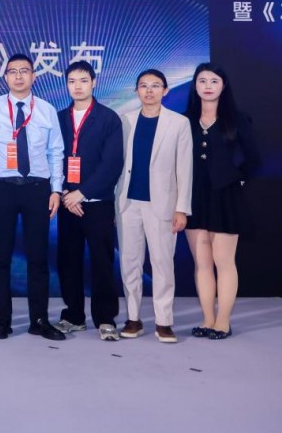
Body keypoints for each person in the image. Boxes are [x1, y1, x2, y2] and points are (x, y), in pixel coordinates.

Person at [0, 53, 65, 342]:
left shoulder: (47, 110)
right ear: (5, 77)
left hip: (37, 188)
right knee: (0, 258)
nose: (18, 76)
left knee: (38, 258)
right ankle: (2, 321)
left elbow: (56, 152)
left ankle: (39, 320)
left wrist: (56, 189)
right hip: (1, 187)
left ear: (33, 76)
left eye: (24, 71)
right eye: (12, 71)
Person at [184, 63, 260, 340]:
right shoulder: (184, 121)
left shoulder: (237, 119)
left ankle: (223, 322)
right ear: (195, 85)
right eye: (202, 80)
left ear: (223, 86)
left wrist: (235, 181)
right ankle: (207, 319)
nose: (207, 86)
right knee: (202, 262)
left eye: (214, 81)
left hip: (225, 198)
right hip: (193, 197)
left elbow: (253, 159)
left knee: (223, 261)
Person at [115, 68, 192, 343]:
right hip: (127, 203)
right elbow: (117, 165)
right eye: (144, 85)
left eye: (155, 85)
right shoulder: (125, 120)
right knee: (129, 263)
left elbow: (184, 169)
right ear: (136, 90)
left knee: (162, 264)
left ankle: (164, 322)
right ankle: (133, 318)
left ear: (165, 90)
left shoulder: (178, 123)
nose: (149, 91)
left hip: (163, 205)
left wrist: (181, 208)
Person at [55, 61, 124, 341]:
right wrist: (64, 193)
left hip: (97, 202)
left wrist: (81, 193)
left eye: (83, 80)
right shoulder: (58, 118)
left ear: (94, 82)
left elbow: (112, 164)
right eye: (72, 81)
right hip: (66, 202)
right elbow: (51, 156)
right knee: (68, 260)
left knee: (102, 261)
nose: (78, 86)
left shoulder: (108, 118)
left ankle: (105, 319)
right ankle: (73, 316)